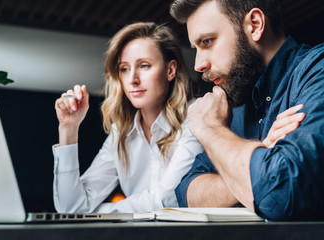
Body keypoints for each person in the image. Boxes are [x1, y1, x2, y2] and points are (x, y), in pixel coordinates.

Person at [170, 0, 324, 220]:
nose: (198, 64)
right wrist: (261, 162)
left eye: (207, 41)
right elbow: (187, 192)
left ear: (255, 24)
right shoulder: (235, 100)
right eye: (197, 48)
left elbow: (282, 194)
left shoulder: (317, 72)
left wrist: (211, 130)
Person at [52, 22, 204, 213]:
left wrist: (102, 213)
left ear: (170, 70)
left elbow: (167, 199)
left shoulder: (195, 118)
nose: (133, 79)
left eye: (144, 66)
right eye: (124, 68)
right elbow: (71, 208)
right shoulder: (121, 133)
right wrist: (68, 129)